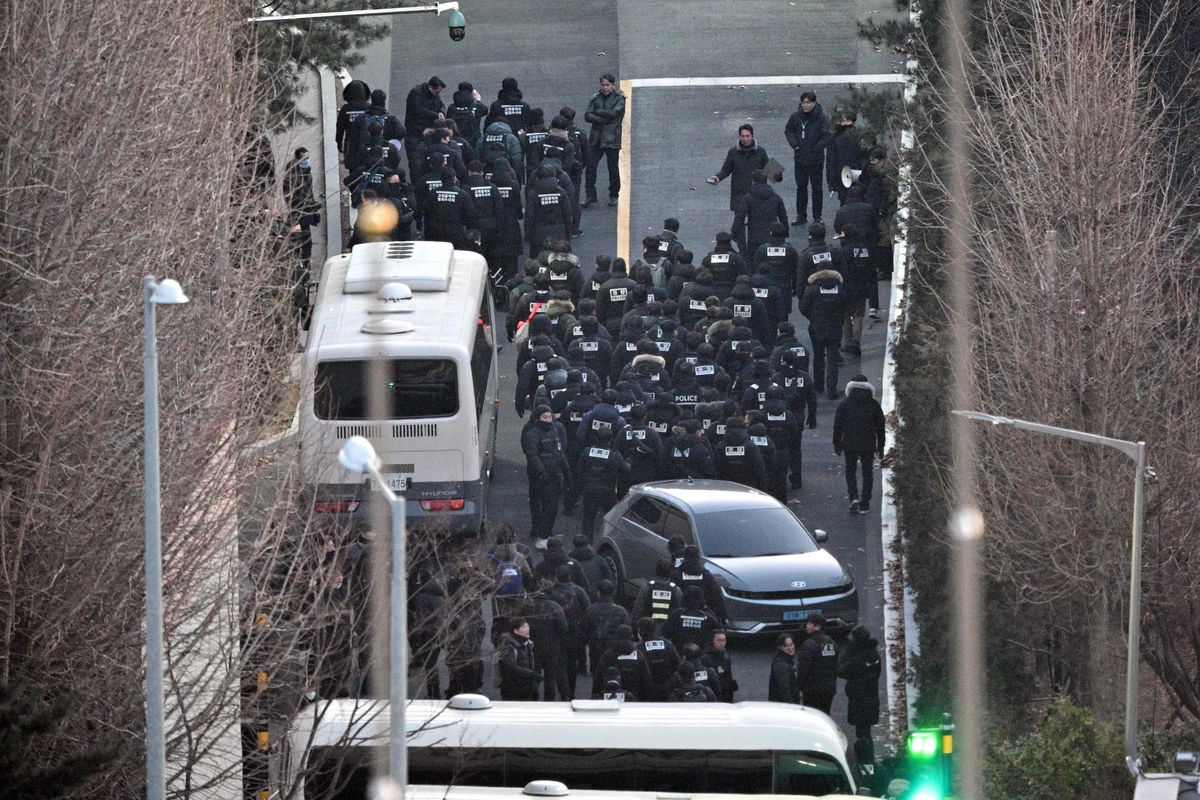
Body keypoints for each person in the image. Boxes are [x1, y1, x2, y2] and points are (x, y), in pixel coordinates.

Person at [832, 374, 886, 514]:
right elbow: (880, 427)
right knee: (867, 472)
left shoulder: (845, 404)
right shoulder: (874, 405)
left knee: (850, 470)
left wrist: (837, 443)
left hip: (849, 443)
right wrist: (881, 446)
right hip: (868, 443)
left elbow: (838, 425)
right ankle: (865, 502)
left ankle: (853, 497)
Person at [522, 405, 569, 547]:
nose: (548, 419)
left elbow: (559, 452)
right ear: (538, 418)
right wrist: (542, 473)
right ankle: (542, 536)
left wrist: (566, 470)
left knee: (552, 506)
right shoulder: (533, 434)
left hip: (554, 475)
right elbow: (532, 456)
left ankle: (545, 533)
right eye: (545, 417)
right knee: (549, 505)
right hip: (542, 477)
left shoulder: (555, 431)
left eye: (550, 416)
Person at [798, 267, 848, 399]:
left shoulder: (812, 289)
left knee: (818, 356)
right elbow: (846, 305)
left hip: (817, 327)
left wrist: (812, 317)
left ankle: (818, 385)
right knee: (832, 358)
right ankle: (832, 389)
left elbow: (803, 307)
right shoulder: (839, 288)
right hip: (835, 326)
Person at [838, 624, 883, 763]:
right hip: (872, 697)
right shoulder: (874, 655)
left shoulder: (856, 659)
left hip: (858, 699)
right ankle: (869, 759)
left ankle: (865, 760)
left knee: (861, 733)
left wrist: (848, 651)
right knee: (866, 731)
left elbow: (840, 670)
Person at [784, 91, 830, 225]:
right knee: (801, 188)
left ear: (814, 103)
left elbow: (828, 135)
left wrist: (818, 147)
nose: (805, 105)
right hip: (800, 158)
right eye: (803, 102)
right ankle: (801, 215)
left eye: (808, 102)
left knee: (817, 188)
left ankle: (817, 217)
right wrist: (795, 145)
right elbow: (788, 130)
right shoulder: (796, 117)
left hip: (816, 159)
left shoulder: (822, 118)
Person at [583, 74, 625, 207]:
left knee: (613, 168)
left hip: (612, 138)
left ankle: (614, 195)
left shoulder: (619, 99)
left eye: (608, 85)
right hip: (596, 138)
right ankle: (590, 195)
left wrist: (598, 112)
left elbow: (615, 113)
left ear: (613, 85)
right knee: (590, 167)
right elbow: (587, 115)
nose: (605, 87)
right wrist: (604, 119)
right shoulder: (595, 98)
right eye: (603, 85)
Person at [710, 124, 770, 213]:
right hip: (739, 192)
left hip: (756, 192)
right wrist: (718, 177)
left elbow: (769, 169)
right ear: (739, 136)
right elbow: (726, 169)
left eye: (747, 136)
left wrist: (777, 175)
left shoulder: (761, 152)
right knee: (739, 221)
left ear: (752, 136)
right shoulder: (732, 152)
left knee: (755, 221)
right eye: (743, 136)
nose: (745, 139)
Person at [731, 170, 789, 258]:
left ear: (753, 181)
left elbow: (740, 216)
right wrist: (785, 232)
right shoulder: (776, 198)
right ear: (766, 180)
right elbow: (783, 217)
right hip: (772, 235)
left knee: (753, 261)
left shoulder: (748, 198)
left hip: (754, 237)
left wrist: (734, 232)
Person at [582, 580, 631, 675]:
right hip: (616, 650)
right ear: (613, 593)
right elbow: (627, 630)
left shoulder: (590, 610)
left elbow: (584, 631)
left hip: (596, 649)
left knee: (597, 676)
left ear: (598, 593)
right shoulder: (621, 611)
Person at [795, 614, 839, 714]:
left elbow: (802, 669)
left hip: (812, 690)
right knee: (825, 715)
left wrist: (801, 687)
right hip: (828, 689)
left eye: (810, 623)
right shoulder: (833, 644)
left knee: (812, 716)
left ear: (817, 627)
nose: (807, 625)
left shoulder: (808, 644)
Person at [404, 77, 447, 176]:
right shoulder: (416, 94)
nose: (438, 94)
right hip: (415, 132)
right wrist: (436, 115)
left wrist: (441, 112)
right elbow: (418, 110)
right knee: (415, 162)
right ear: (430, 87)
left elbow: (441, 104)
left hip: (428, 132)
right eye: (437, 92)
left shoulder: (435, 96)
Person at [825, 109, 868, 206]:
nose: (843, 123)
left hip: (852, 174)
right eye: (842, 120)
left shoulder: (837, 138)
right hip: (845, 175)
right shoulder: (835, 139)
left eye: (846, 120)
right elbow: (830, 161)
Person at [496, 617, 541, 700]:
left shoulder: (528, 644)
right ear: (516, 631)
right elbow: (511, 667)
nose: (527, 629)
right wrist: (531, 674)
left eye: (527, 626)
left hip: (528, 690)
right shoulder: (508, 646)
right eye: (524, 627)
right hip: (513, 691)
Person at [447, 81, 489, 149]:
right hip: (473, 139)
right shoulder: (476, 106)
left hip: (456, 140)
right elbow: (485, 111)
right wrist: (478, 100)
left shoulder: (452, 107)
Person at [700, 630, 738, 703]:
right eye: (719, 640)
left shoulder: (726, 655)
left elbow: (729, 675)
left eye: (724, 640)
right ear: (712, 641)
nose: (722, 643)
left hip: (726, 694)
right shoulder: (705, 658)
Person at [768, 633, 801, 704]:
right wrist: (791, 705)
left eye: (791, 645)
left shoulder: (785, 660)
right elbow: (784, 688)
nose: (790, 648)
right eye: (786, 646)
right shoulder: (780, 664)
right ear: (780, 647)